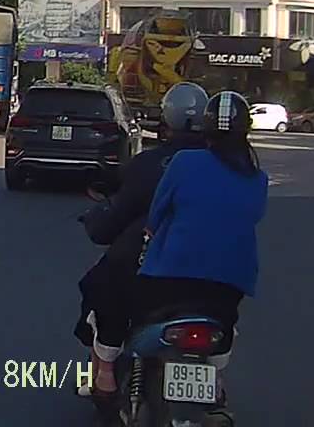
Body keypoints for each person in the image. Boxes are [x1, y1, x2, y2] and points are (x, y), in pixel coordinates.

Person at [75, 82, 209, 395]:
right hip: (212, 272)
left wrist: (98, 222)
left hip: (151, 268)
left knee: (101, 288)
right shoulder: (229, 166)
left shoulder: (152, 165)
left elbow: (119, 213)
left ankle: (104, 374)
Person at [136, 91, 269, 393]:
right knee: (223, 327)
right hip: (232, 281)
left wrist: (151, 233)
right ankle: (216, 383)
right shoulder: (257, 178)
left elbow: (156, 213)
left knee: (141, 320)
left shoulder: (184, 162)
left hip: (172, 272)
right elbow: (253, 216)